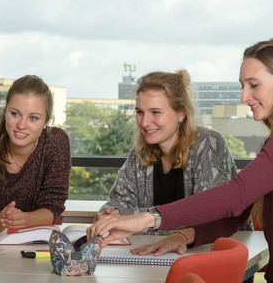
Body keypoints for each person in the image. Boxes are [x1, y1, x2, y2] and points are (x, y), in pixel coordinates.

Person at [88, 38, 273, 283]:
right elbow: (236, 214)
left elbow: (234, 195)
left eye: (254, 85)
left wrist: (149, 218)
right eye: (242, 86)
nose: (244, 97)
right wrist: (182, 236)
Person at [95, 70, 252, 245]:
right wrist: (108, 216)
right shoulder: (141, 151)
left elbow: (207, 218)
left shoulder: (209, 143)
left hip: (220, 253)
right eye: (140, 112)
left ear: (181, 114)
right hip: (156, 256)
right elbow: (114, 206)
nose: (144, 122)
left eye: (155, 112)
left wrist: (135, 221)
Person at [0, 75, 71, 231]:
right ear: (5, 111)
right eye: (15, 114)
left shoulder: (55, 142)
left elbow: (53, 207)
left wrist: (23, 220)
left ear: (46, 121)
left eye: (33, 118)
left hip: (32, 243)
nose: (21, 125)